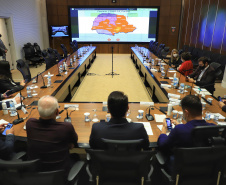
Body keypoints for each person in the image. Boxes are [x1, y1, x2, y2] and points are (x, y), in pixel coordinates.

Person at [157, 95, 214, 173]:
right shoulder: (213, 128)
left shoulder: (179, 130)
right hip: (205, 170)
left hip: (180, 170)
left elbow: (163, 146)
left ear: (186, 112)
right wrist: (182, 126)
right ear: (201, 111)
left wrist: (163, 130)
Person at [26, 95, 78, 175]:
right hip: (60, 173)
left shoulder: (30, 123)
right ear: (57, 112)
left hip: (36, 171)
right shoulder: (66, 127)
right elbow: (73, 143)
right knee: (76, 156)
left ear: (37, 110)